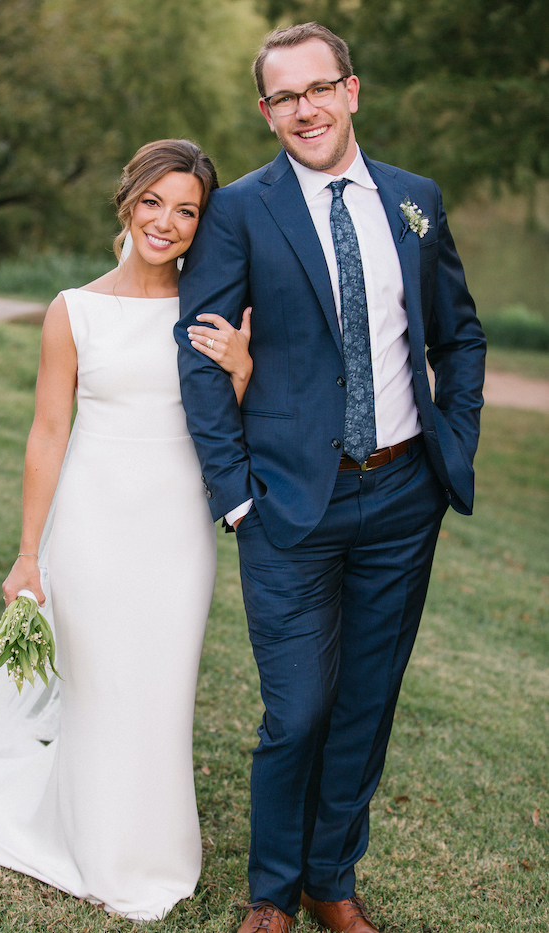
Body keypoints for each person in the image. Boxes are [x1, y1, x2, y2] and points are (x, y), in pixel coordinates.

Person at [0, 139, 252, 921]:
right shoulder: (73, 309)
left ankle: (156, 848)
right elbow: (47, 435)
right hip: (90, 522)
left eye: (186, 209)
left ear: (201, 221)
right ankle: (94, 845)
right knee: (100, 686)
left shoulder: (214, 307)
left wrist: (243, 366)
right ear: (128, 202)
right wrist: (29, 553)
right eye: (154, 202)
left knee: (162, 684)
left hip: (177, 528)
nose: (167, 221)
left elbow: (239, 421)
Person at [175, 23, 486, 933]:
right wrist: (235, 494)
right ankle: (270, 894)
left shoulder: (415, 200)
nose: (304, 109)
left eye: (320, 89)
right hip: (286, 503)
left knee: (365, 702)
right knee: (299, 709)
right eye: (284, 97)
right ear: (265, 111)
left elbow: (457, 333)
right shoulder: (238, 210)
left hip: (402, 495)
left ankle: (329, 879)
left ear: (352, 90)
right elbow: (200, 359)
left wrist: (450, 441)